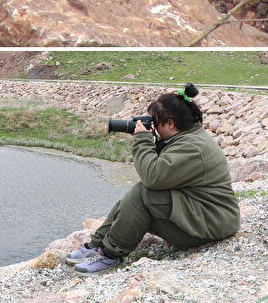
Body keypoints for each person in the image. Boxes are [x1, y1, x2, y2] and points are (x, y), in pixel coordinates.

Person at [65, 83, 240, 275]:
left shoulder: (193, 148)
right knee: (134, 200)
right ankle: (97, 244)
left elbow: (153, 177)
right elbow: (164, 169)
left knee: (143, 193)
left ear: (171, 124)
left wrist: (143, 139)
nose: (154, 128)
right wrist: (150, 139)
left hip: (212, 223)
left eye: (156, 123)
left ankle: (109, 255)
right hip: (200, 215)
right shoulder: (188, 138)